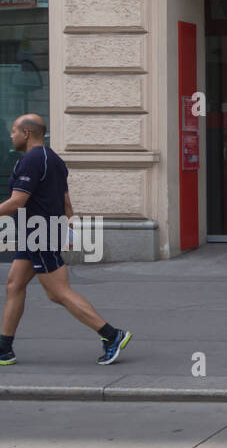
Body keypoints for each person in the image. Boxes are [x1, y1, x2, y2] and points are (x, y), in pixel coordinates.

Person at [0, 114, 132, 366]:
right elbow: (66, 204)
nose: (11, 135)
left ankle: (112, 335)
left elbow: (17, 202)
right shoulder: (55, 159)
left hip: (38, 235)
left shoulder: (31, 160)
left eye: (14, 131)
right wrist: (66, 230)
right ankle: (4, 348)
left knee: (58, 293)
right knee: (14, 285)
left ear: (27, 133)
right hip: (42, 232)